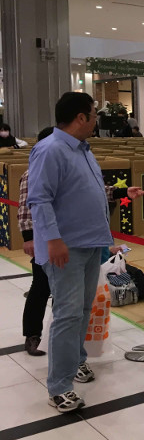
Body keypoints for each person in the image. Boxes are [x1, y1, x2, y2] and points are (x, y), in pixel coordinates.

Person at [27, 92, 144, 413]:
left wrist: (121, 191)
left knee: (80, 310)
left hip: (90, 244)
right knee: (67, 314)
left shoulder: (82, 150)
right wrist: (52, 240)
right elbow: (39, 199)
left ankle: (75, 361)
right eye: (94, 115)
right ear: (80, 117)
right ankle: (59, 387)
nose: (96, 120)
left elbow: (85, 190)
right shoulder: (50, 150)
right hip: (66, 248)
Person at [18, 127, 55, 356]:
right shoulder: (33, 172)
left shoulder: (56, 170)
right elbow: (24, 208)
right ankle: (32, 334)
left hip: (62, 238)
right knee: (40, 288)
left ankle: (55, 335)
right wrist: (28, 238)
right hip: (42, 240)